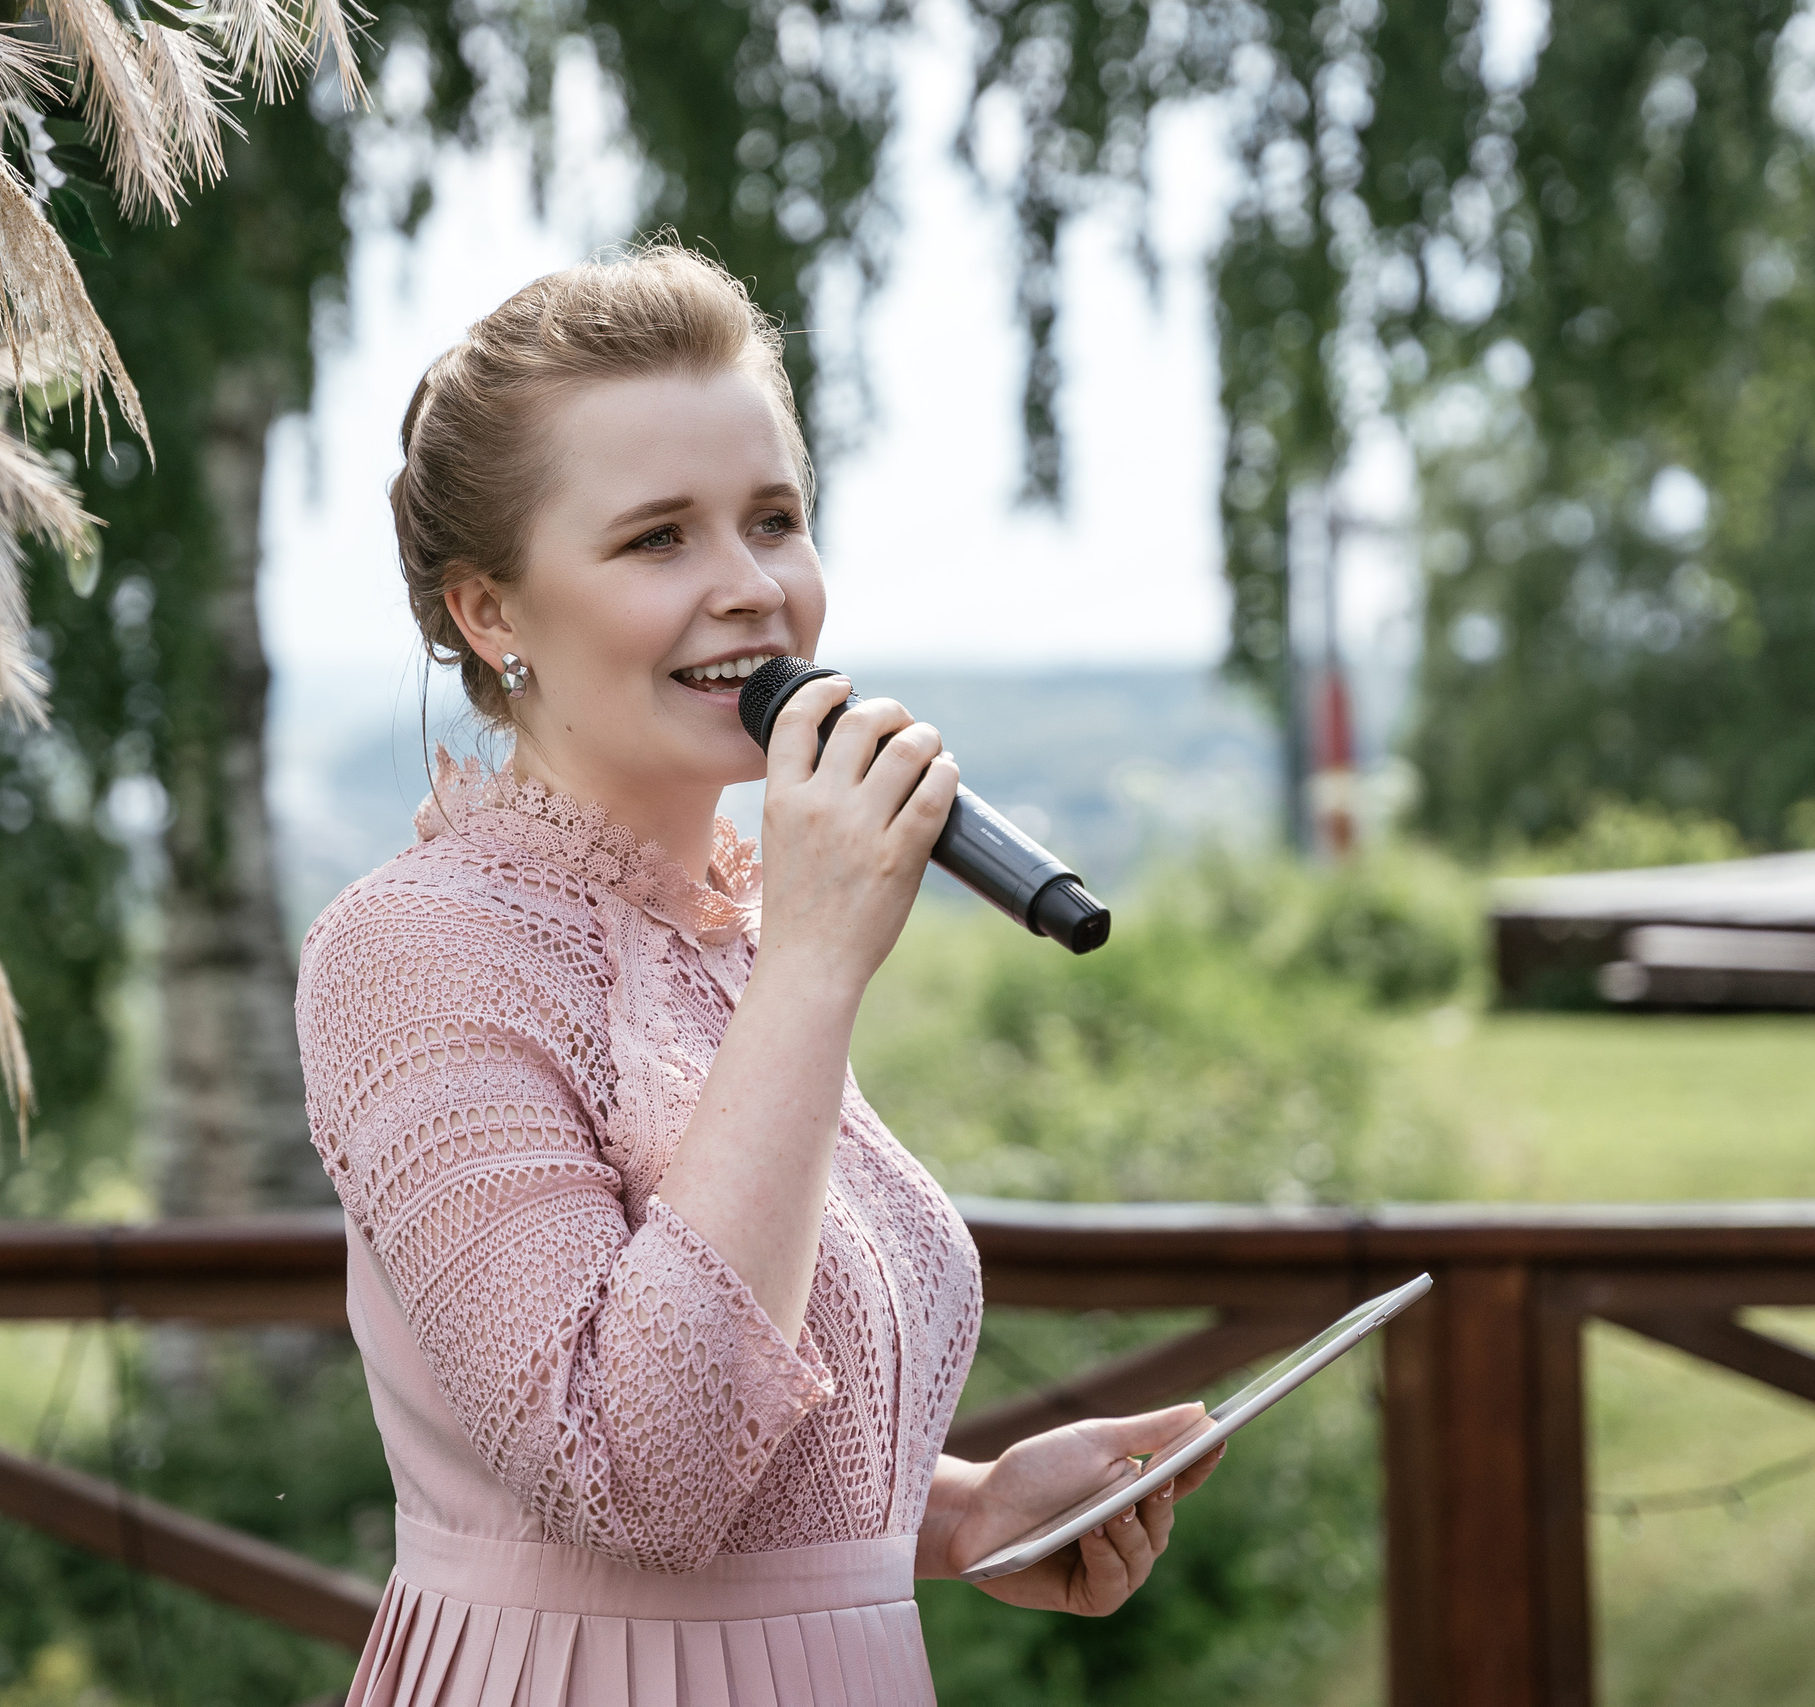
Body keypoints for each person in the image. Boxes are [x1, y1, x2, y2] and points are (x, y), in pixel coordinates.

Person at [295, 242, 1224, 1706]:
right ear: (491, 614)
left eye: (774, 519)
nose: (750, 589)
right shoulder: (413, 952)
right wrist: (813, 965)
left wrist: (961, 1511)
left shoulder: (718, 937)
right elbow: (634, 1477)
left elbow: (730, 1426)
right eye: (657, 538)